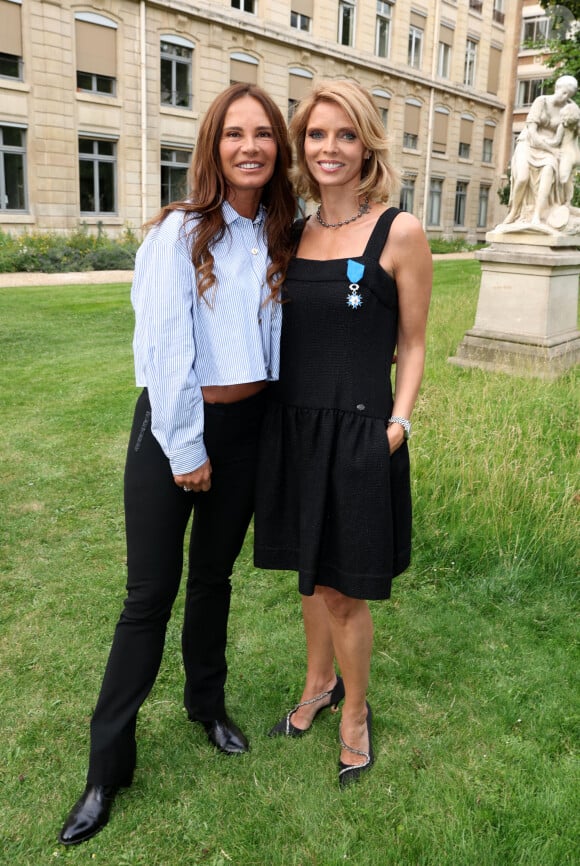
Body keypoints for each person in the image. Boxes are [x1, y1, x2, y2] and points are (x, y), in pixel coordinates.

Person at [58, 83, 295, 845]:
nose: (250, 146)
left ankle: (206, 705)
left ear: (278, 149)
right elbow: (165, 348)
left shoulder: (286, 237)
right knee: (148, 596)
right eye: (235, 134)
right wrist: (187, 449)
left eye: (263, 134)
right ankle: (106, 768)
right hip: (173, 430)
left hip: (251, 430)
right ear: (214, 147)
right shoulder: (180, 232)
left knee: (215, 580)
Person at [254, 79, 432, 787]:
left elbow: (413, 343)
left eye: (346, 134)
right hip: (294, 431)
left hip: (361, 431)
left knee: (342, 591)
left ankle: (354, 713)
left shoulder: (400, 231)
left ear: (368, 146)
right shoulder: (291, 233)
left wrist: (399, 422)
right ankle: (317, 685)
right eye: (318, 135)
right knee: (308, 575)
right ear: (303, 147)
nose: (330, 148)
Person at [503, 74, 579, 227]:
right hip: (529, 143)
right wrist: (550, 149)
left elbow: (570, 136)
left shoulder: (571, 108)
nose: (565, 97)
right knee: (523, 177)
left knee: (549, 170)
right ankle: (514, 212)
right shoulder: (541, 101)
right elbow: (532, 132)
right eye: (564, 92)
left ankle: (537, 216)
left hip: (551, 149)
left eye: (569, 95)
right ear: (556, 88)